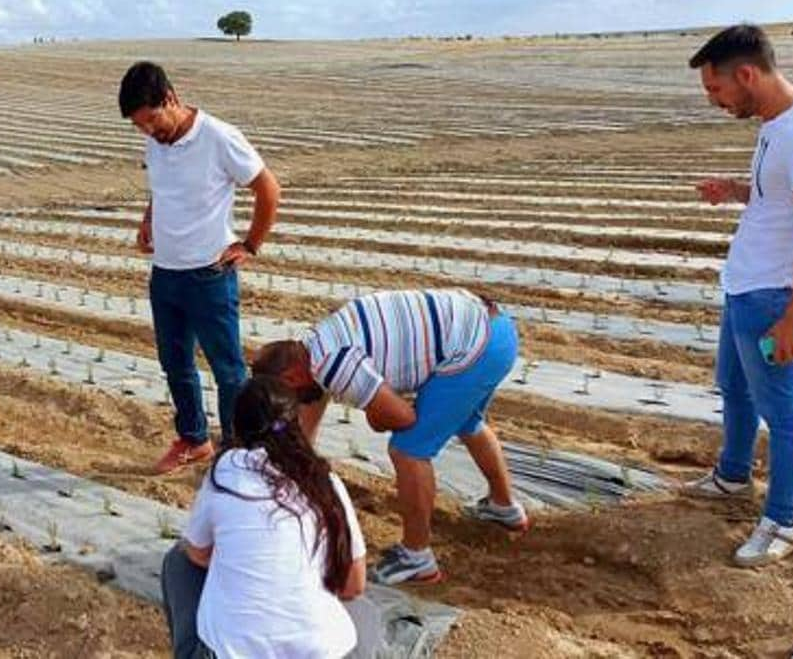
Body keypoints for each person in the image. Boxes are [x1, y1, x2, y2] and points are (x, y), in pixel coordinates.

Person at [684, 24, 793, 566]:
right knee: (733, 389)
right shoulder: (775, 123)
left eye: (717, 90)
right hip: (745, 284)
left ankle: (784, 520)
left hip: (775, 296)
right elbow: (779, 200)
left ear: (748, 74)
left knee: (782, 413)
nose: (714, 101)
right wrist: (735, 190)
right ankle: (732, 477)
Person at [251, 288, 526, 586]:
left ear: (292, 377)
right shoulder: (313, 346)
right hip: (495, 330)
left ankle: (417, 557)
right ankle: (504, 507)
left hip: (475, 347)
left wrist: (376, 414)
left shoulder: (334, 365)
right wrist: (290, 469)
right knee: (467, 422)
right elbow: (309, 414)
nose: (293, 404)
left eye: (288, 396)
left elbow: (402, 417)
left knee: (409, 450)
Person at [118, 61, 280, 474]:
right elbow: (161, 187)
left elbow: (268, 188)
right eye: (139, 126)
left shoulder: (219, 137)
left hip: (209, 275)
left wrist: (251, 245)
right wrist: (148, 219)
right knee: (175, 365)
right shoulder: (156, 143)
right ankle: (194, 439)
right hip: (165, 274)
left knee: (228, 370)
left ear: (171, 98)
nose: (149, 132)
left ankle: (237, 449)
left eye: (152, 120)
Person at [160, 376, 382, 658]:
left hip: (231, 651)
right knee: (359, 612)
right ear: (297, 424)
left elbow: (196, 554)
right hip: (328, 651)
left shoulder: (227, 470)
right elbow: (354, 584)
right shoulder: (325, 481)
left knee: (178, 563)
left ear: (237, 430)